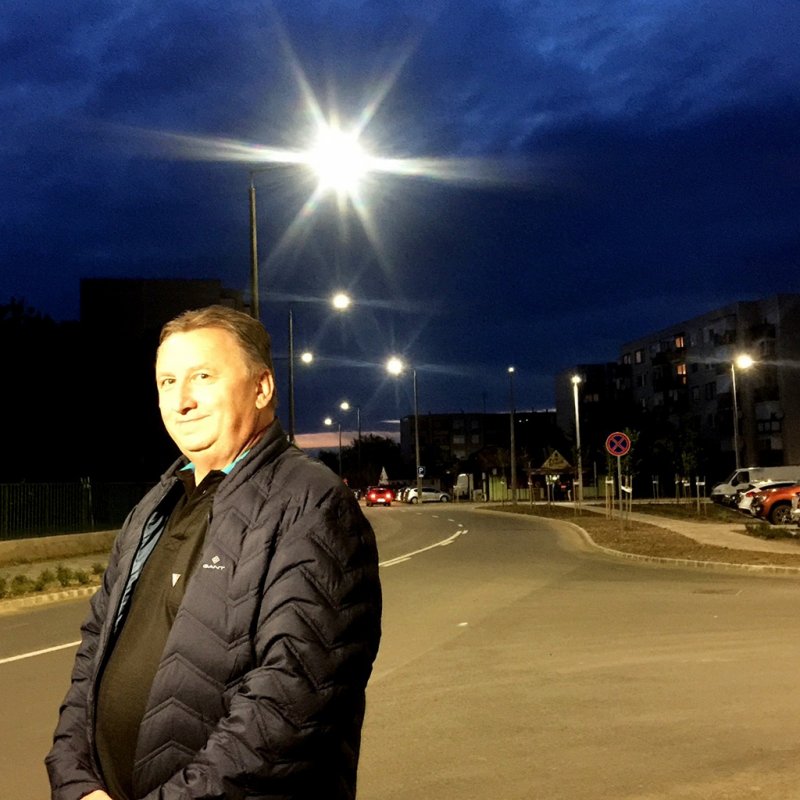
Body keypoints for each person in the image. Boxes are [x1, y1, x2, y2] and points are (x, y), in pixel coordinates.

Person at [46, 305, 382, 800]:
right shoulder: (154, 506)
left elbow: (293, 705)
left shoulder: (311, 503)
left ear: (262, 387)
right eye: (167, 382)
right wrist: (75, 781)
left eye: (202, 376)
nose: (181, 401)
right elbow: (91, 658)